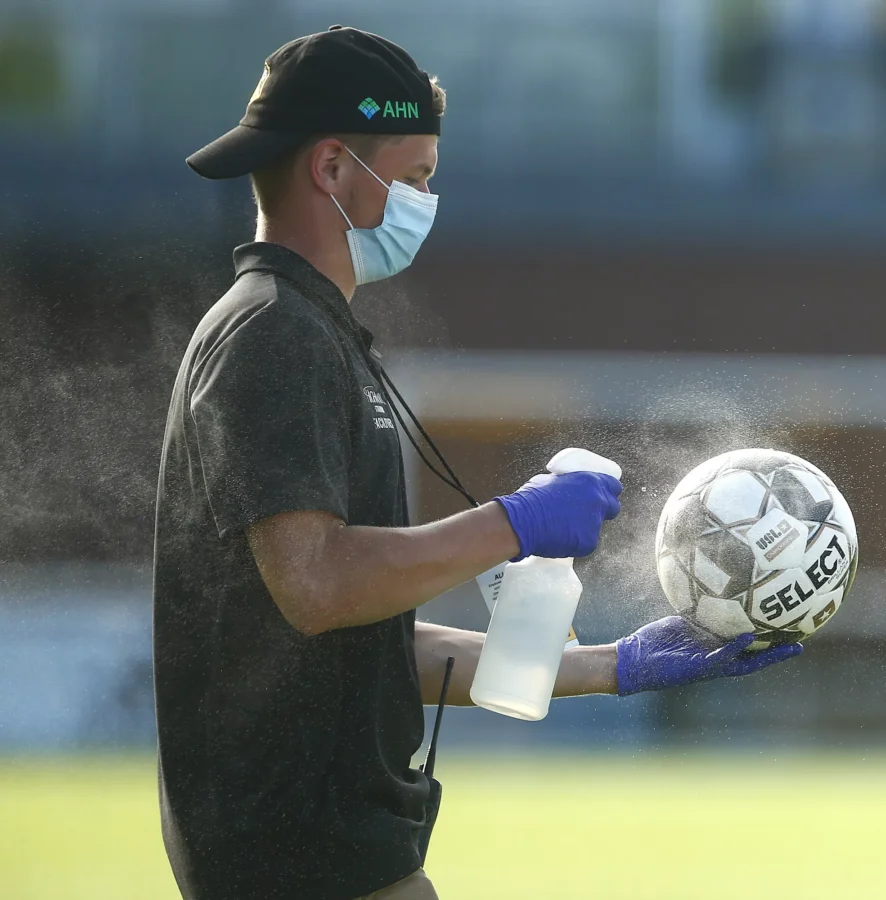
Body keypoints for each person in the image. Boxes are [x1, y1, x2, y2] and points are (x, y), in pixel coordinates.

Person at [155, 26, 804, 900]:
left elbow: (367, 642)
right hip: (295, 856)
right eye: (417, 176)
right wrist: (513, 523)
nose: (429, 200)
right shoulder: (273, 334)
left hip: (342, 850)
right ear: (333, 169)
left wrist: (614, 667)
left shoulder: (315, 333)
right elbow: (316, 587)